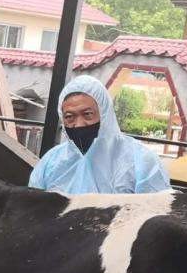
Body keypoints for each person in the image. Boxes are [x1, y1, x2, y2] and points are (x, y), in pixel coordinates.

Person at [28, 74, 170, 195]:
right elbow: (33, 208)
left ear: (104, 113)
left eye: (87, 114)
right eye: (69, 117)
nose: (79, 124)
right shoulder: (51, 163)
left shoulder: (141, 161)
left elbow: (156, 211)